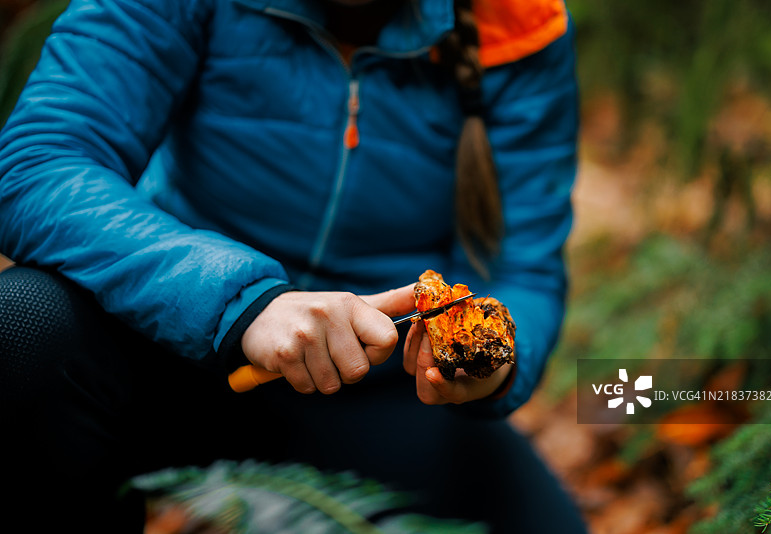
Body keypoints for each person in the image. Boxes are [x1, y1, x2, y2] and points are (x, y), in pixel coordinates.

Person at [0, 0, 585, 532]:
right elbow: (40, 162)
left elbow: (524, 273)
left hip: (385, 392)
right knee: (26, 327)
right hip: (174, 345)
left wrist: (491, 360)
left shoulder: (517, 23)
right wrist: (243, 303)